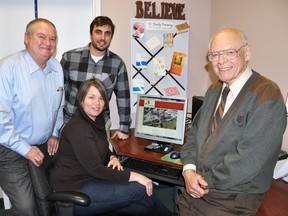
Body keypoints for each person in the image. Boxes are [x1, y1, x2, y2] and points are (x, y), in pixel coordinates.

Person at [178, 27, 287, 215]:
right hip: (198, 189)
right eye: (215, 54)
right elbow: (193, 134)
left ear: (247, 52)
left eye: (229, 52)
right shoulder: (214, 90)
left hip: (234, 197)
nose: (221, 61)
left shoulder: (268, 94)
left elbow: (248, 160)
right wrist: (188, 169)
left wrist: (202, 179)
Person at [48, 78, 172, 216]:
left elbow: (100, 147)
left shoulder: (95, 119)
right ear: (81, 100)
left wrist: (112, 157)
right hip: (74, 190)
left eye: (101, 98)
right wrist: (135, 176)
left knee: (140, 207)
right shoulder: (79, 128)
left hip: (89, 179)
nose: (97, 103)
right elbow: (96, 169)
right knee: (140, 190)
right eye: (91, 97)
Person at [0, 18, 64, 215]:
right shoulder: (7, 68)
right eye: (42, 36)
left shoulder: (56, 67)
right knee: (28, 208)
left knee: (55, 194)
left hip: (45, 145)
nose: (48, 43)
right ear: (26, 38)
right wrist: (26, 149)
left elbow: (58, 105)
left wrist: (54, 133)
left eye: (52, 38)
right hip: (11, 149)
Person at [61, 16, 131, 140]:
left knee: (99, 159)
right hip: (70, 123)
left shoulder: (117, 64)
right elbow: (58, 93)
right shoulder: (70, 58)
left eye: (107, 33)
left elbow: (123, 98)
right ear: (91, 34)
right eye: (98, 32)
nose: (103, 38)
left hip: (100, 125)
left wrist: (124, 128)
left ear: (111, 37)